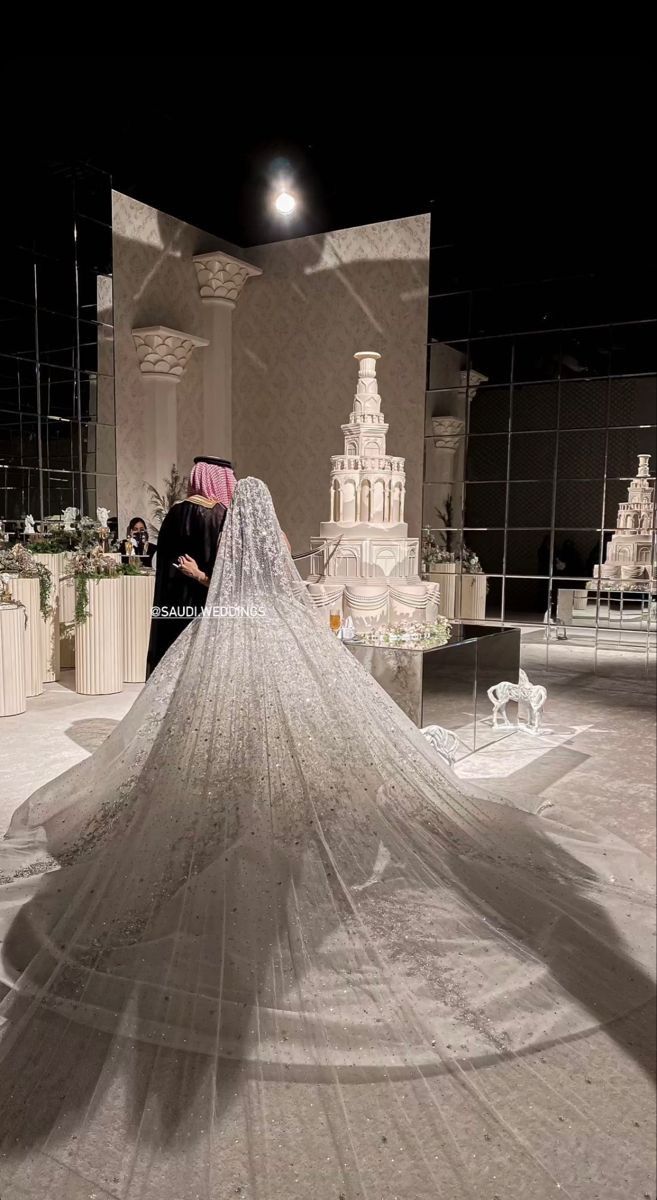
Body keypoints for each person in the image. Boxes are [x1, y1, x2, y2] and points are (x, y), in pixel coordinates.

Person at [0, 478, 654, 1199]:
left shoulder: (214, 622)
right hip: (269, 638)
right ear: (270, 523)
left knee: (207, 751)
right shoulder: (278, 602)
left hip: (225, 640)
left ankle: (237, 805)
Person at [146, 455, 235, 676]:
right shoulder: (220, 515)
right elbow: (226, 576)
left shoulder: (173, 514)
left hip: (172, 607)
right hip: (206, 609)